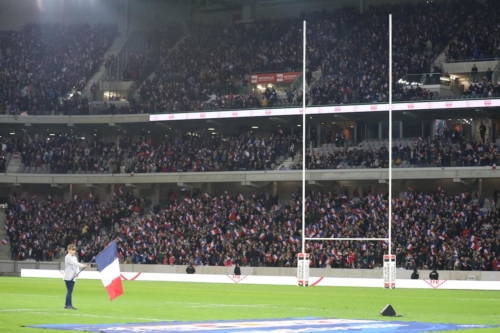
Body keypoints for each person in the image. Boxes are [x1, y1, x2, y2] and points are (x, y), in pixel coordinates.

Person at [63, 244, 87, 310]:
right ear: (68, 250)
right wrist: (82, 265)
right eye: (72, 250)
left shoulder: (75, 257)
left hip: (73, 277)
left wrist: (76, 272)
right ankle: (69, 305)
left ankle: (66, 304)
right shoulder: (67, 257)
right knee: (69, 291)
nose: (73, 251)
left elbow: (76, 267)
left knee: (69, 291)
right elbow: (75, 263)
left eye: (74, 250)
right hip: (68, 277)